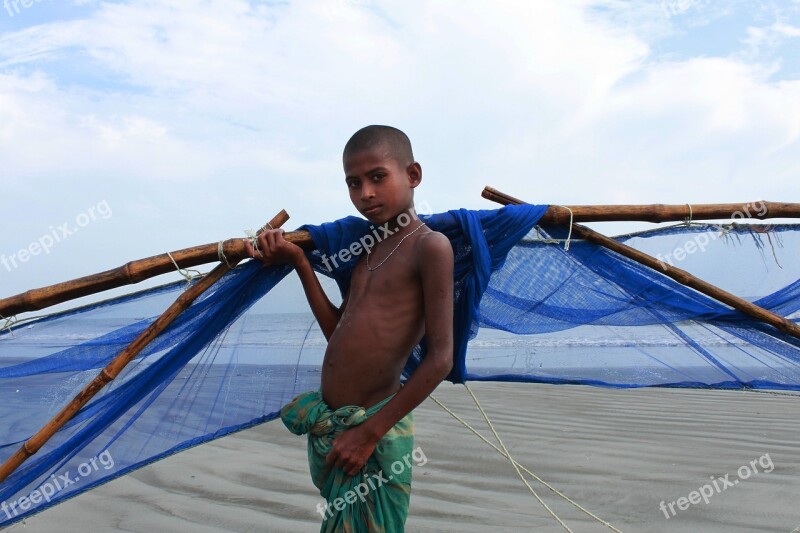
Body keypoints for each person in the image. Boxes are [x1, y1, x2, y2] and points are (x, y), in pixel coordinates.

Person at [245, 125, 454, 531]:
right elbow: (339, 332)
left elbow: (440, 359)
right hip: (337, 425)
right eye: (354, 183)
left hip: (373, 427)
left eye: (378, 177)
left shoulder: (430, 247)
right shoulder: (366, 249)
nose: (366, 194)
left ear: (412, 176)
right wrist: (301, 265)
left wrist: (371, 433)